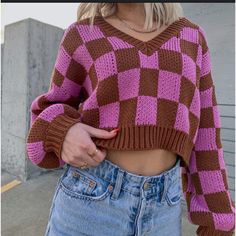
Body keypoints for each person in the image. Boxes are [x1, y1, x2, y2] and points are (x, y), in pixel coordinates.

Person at [26, 3, 235, 236]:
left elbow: (206, 130)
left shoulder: (192, 37)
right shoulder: (83, 33)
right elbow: (49, 107)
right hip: (90, 198)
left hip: (163, 210)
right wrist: (63, 132)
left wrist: (219, 219)